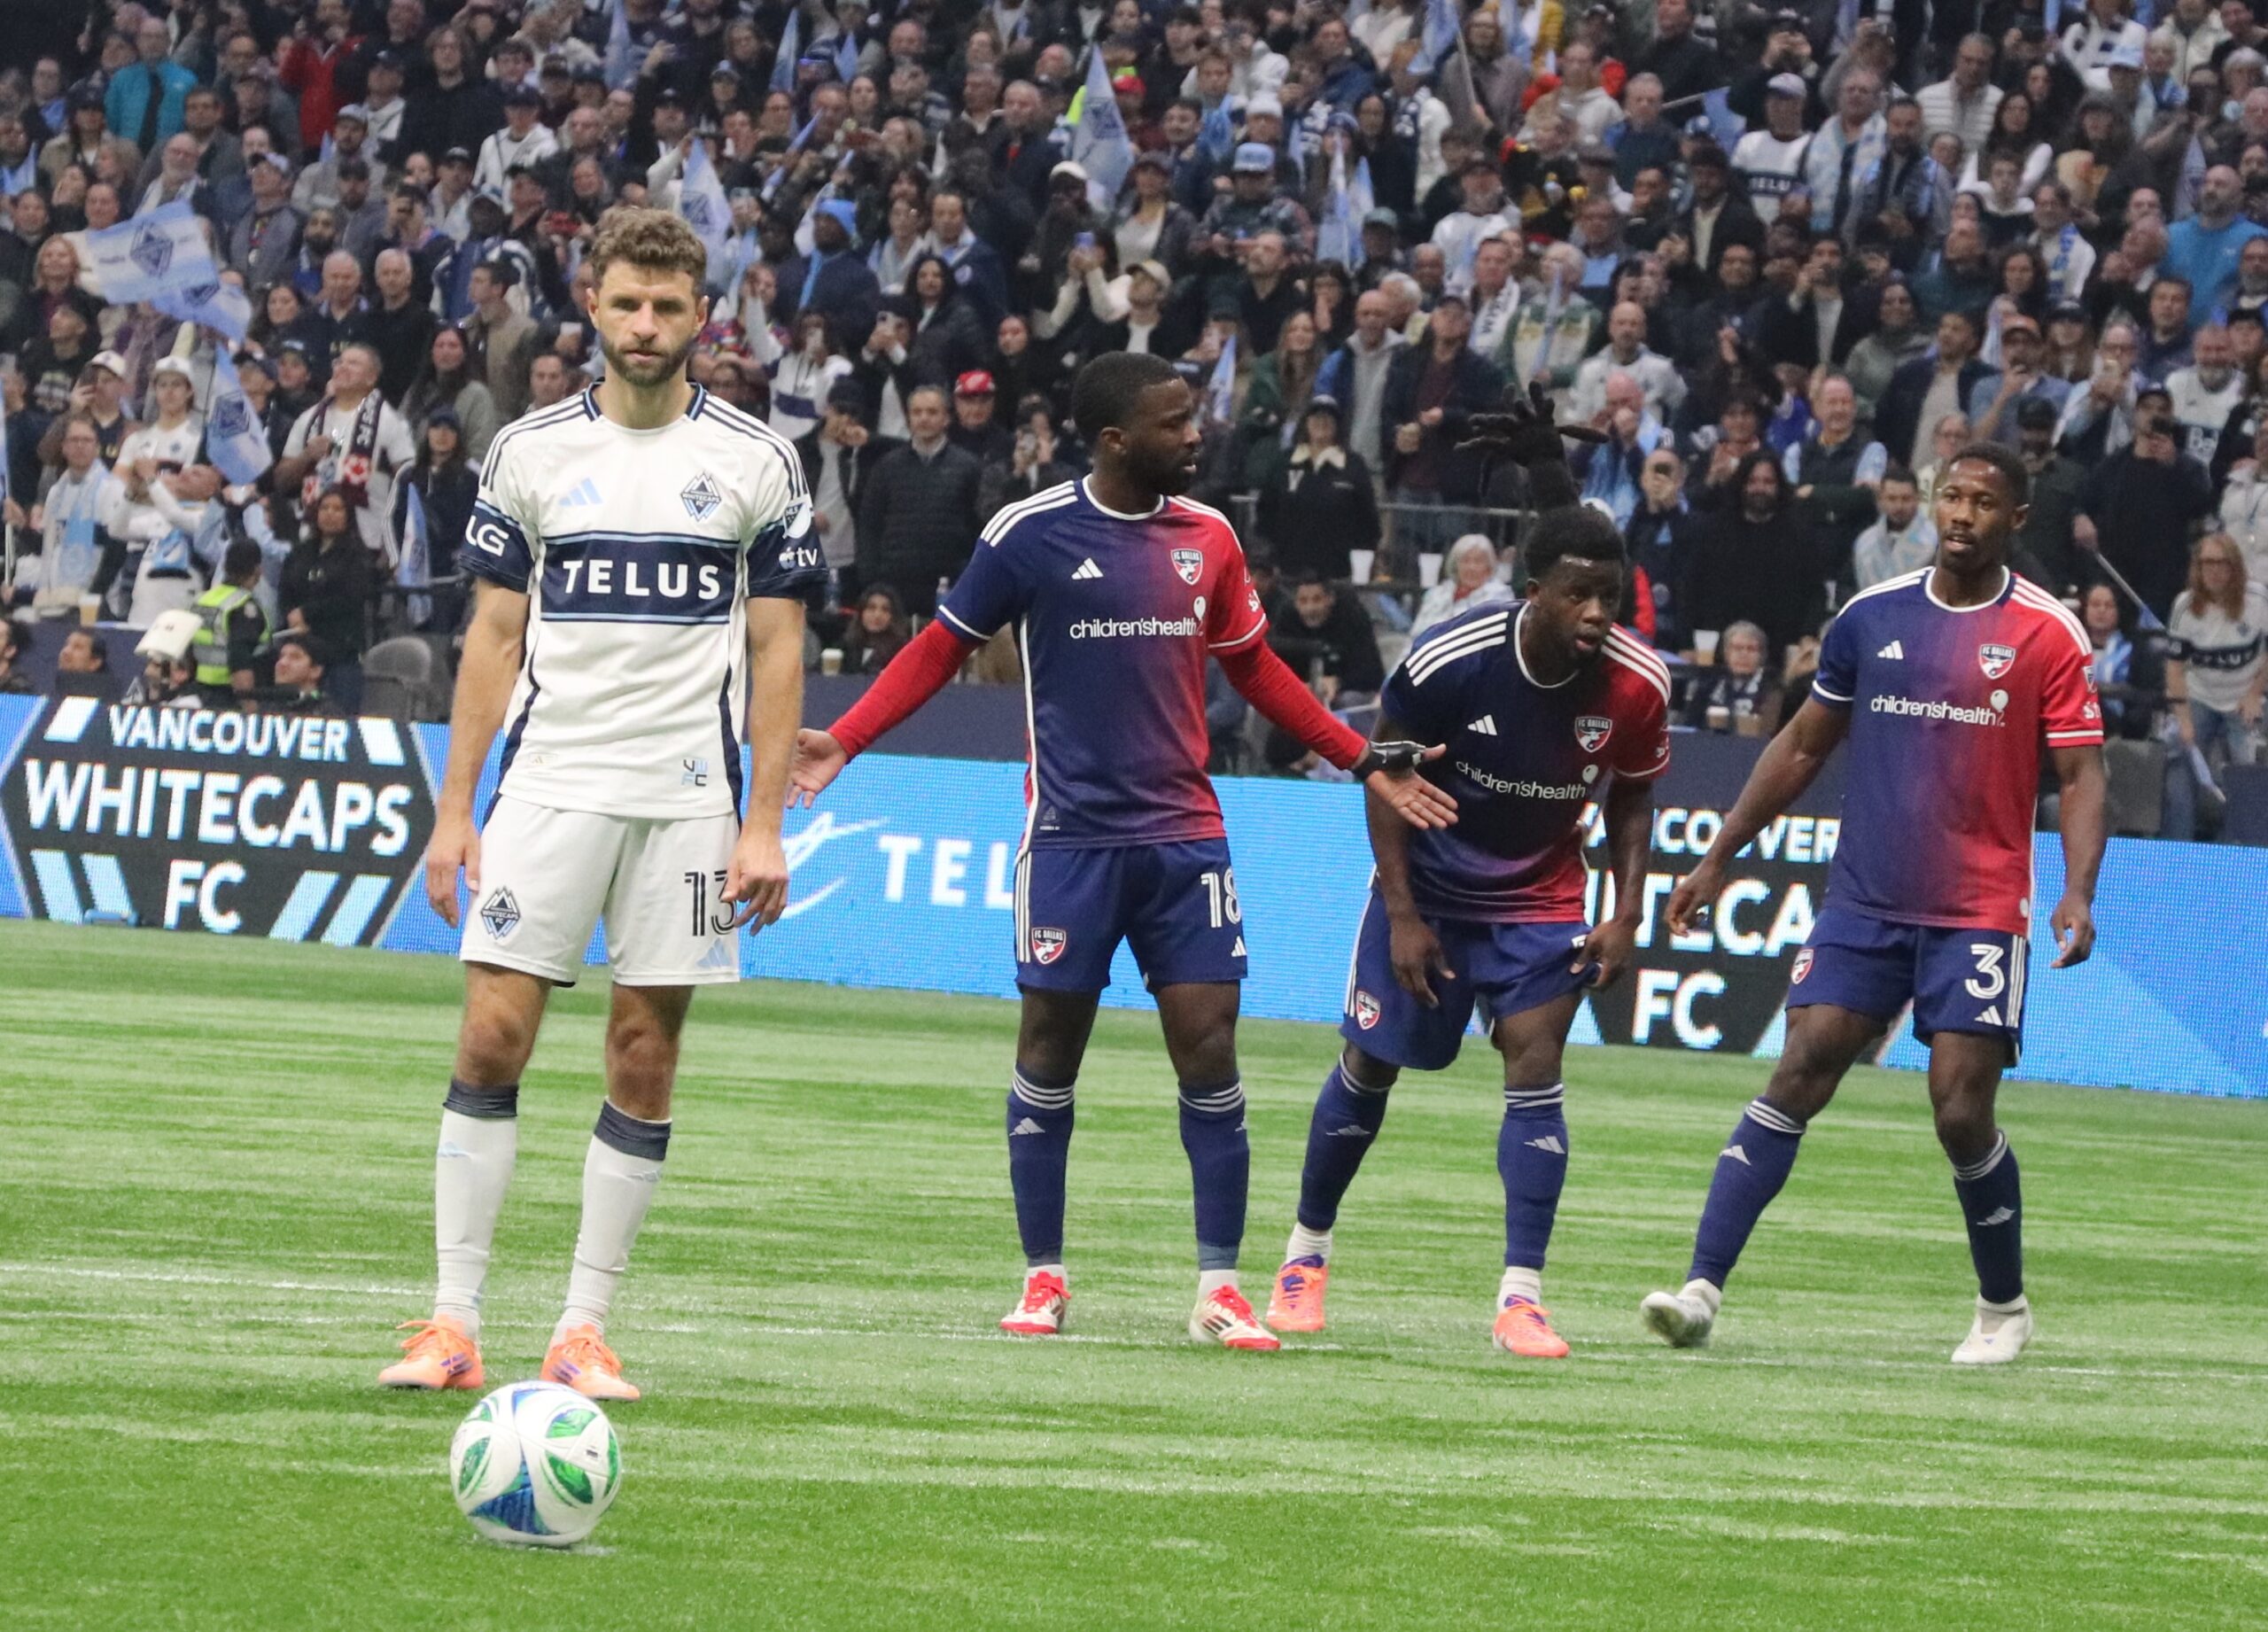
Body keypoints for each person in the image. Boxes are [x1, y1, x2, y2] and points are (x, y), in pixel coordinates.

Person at [788, 351, 1457, 1349]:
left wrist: (1361, 758)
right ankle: (1043, 1277)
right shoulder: (1029, 534)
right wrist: (848, 735)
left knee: (1211, 1048)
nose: (1197, 434)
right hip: (1068, 837)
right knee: (1050, 1048)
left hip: (1184, 837)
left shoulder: (1211, 538)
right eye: (1176, 421)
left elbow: (1258, 670)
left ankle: (1219, 1288)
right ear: (1114, 440)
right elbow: (939, 645)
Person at [382, 208, 819, 1403]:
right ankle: (452, 1320)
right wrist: (453, 804)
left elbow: (779, 650)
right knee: (491, 1035)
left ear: (702, 317)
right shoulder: (527, 452)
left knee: (644, 1050)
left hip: (685, 796)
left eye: (668, 307)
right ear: (592, 301)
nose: (645, 326)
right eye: (627, 303)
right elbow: (494, 632)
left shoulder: (758, 461)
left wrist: (764, 818)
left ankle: (582, 1327)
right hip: (550, 783)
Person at [1641, 440, 2108, 1365]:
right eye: (1951, 496)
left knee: (1957, 1110)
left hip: (1976, 905)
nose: (1961, 513)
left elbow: (2082, 770)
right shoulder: (1869, 618)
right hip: (1865, 897)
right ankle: (1700, 1289)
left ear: (2015, 520)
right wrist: (1718, 855)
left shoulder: (2049, 632)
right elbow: (1803, 746)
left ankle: (2002, 1306)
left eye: (1982, 501)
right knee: (1800, 1066)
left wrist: (2078, 892)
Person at [1264, 384, 1669, 1356]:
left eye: (1609, 597)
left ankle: (1520, 1298)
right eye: (1578, 595)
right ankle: (1302, 1256)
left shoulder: (1636, 683)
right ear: (1534, 592)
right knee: (1369, 1067)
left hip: (1538, 894)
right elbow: (1382, 774)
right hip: (1433, 889)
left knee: (1536, 1063)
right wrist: (1402, 912)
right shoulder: (1448, 656)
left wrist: (1624, 913)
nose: (1596, 614)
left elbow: (1631, 798)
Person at [2162, 533, 2268, 839]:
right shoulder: (2184, 606)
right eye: (2207, 563)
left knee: (2249, 775)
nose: (2214, 570)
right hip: (2200, 697)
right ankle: (2176, 848)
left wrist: (2254, 693)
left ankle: (2247, 851)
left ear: (2234, 567)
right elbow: (2174, 667)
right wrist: (2183, 720)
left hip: (2242, 697)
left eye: (2222, 563)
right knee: (2181, 767)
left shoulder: (2258, 600)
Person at [854, 385, 984, 616]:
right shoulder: (886, 466)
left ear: (946, 418)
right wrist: (871, 578)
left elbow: (978, 526)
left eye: (932, 412)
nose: (924, 419)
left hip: (949, 584)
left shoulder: (969, 467)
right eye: (917, 412)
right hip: (893, 586)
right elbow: (869, 524)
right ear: (908, 418)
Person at [1258, 398, 1380, 582]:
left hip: (1339, 574)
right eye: (1316, 417)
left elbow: (1369, 521)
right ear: (1305, 423)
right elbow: (1265, 513)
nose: (1322, 423)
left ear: (1338, 425)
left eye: (1328, 418)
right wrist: (1269, 559)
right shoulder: (1284, 462)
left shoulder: (1354, 465)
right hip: (1288, 572)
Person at [190, 538, 273, 704]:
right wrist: (249, 708)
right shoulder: (243, 606)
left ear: (225, 566)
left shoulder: (203, 599)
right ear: (258, 570)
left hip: (200, 693)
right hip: (230, 697)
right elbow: (240, 659)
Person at [1852, 465, 1939, 587]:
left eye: (1906, 499)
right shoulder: (1864, 543)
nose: (1899, 506)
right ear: (1880, 500)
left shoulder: (1935, 541)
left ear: (1917, 498)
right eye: (1892, 499)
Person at [838, 584, 910, 674]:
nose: (877, 615)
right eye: (871, 608)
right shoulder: (847, 644)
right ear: (861, 613)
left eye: (885, 609)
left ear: (893, 616)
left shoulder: (902, 650)